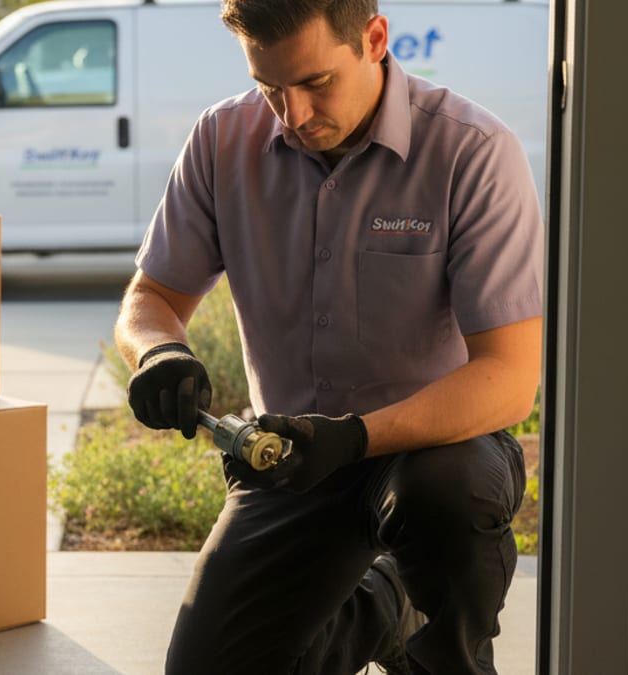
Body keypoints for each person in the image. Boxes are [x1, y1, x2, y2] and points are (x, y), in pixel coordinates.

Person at [113, 0, 543, 672]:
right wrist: (158, 351)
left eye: (316, 83)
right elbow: (150, 300)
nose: (294, 114)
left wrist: (356, 436)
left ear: (374, 39)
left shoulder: (472, 152)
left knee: (444, 496)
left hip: (436, 451)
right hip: (293, 462)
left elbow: (511, 378)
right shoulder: (222, 141)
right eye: (269, 88)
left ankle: (438, 639)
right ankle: (382, 608)